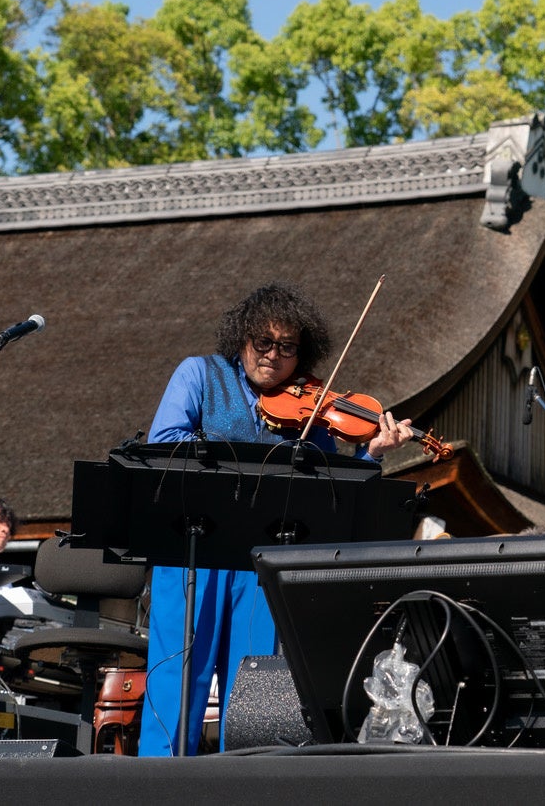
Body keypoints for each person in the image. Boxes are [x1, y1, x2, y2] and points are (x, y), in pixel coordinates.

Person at [138, 282, 415, 756]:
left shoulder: (312, 409)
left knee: (256, 690)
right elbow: (164, 441)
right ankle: (158, 784)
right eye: (262, 343)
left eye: (287, 348)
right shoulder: (199, 374)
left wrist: (369, 454)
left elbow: (332, 492)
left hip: (263, 560)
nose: (273, 356)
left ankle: (247, 785)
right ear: (241, 338)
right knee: (177, 677)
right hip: (192, 551)